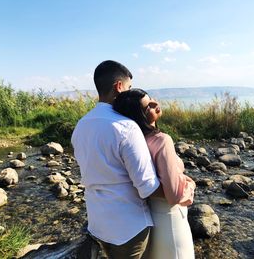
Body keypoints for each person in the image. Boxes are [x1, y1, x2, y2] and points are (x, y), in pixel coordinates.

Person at [71, 61, 160, 259]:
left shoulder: (81, 125)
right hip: (128, 227)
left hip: (98, 222)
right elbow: (147, 186)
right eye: (128, 88)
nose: (130, 93)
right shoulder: (126, 127)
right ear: (119, 87)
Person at [113, 88, 196, 259]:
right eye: (148, 107)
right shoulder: (162, 140)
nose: (155, 104)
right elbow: (172, 195)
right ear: (139, 116)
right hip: (170, 219)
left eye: (151, 100)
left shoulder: (132, 142)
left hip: (148, 218)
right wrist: (190, 185)